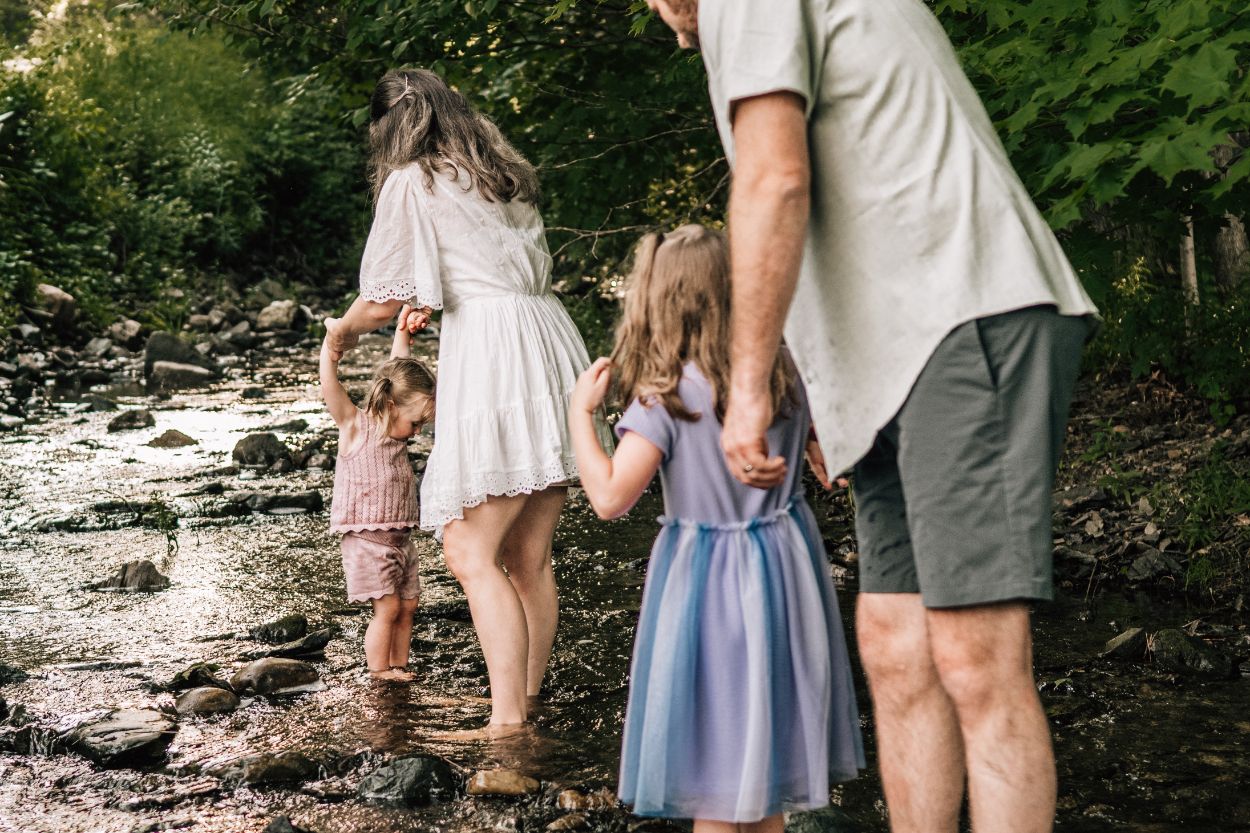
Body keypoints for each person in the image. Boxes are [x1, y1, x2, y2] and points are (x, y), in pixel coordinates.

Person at [644, 1, 1100, 831]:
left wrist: (750, 390)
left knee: (973, 655)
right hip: (895, 351)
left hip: (964, 313)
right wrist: (825, 397)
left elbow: (775, 180)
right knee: (895, 648)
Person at [323, 68, 611, 729]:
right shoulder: (496, 171)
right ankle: (526, 702)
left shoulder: (412, 179)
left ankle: (506, 724)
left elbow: (384, 295)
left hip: (494, 351)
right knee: (527, 558)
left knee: (468, 553)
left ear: (389, 130)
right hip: (546, 338)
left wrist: (341, 327)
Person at [569, 226, 864, 833]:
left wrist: (580, 413)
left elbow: (607, 498)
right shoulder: (784, 375)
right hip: (785, 572)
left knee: (713, 777)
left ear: (662, 302)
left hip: (706, 587)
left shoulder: (667, 398)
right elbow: (829, 450)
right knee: (764, 771)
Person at [322, 306, 435, 681]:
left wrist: (402, 328)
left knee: (408, 606)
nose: (418, 431)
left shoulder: (396, 429)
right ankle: (378, 671)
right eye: (415, 422)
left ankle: (399, 666)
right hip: (367, 542)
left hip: (400, 540)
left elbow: (398, 367)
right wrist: (331, 349)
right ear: (391, 406)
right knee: (386, 609)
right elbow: (330, 388)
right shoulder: (356, 426)